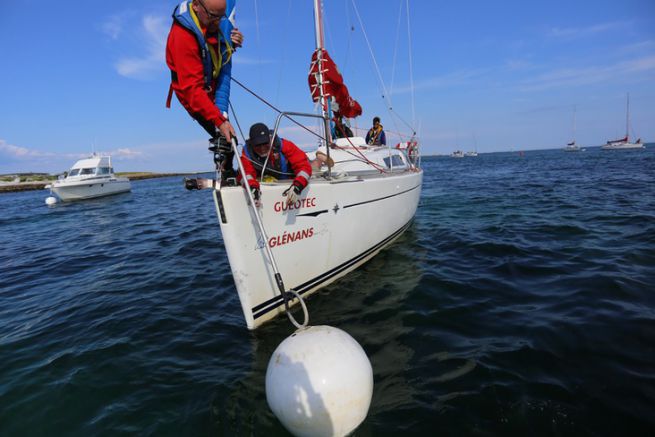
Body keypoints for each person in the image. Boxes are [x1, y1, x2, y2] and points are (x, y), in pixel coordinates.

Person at [165, 0, 244, 180]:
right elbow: (192, 90)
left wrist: (234, 41)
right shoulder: (182, 36)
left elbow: (220, 43)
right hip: (193, 94)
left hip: (214, 86)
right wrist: (219, 121)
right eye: (213, 17)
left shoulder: (214, 16)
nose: (218, 21)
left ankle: (232, 174)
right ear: (196, 6)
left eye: (221, 16)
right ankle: (226, 175)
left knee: (229, 140)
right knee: (226, 140)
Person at [241, 123, 312, 207]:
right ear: (251, 143)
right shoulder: (247, 154)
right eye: (258, 145)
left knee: (314, 167)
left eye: (265, 143)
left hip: (290, 180)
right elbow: (246, 174)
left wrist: (297, 186)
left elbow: (303, 166)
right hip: (267, 182)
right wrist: (252, 188)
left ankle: (320, 158)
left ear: (270, 139)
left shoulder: (284, 145)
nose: (262, 148)